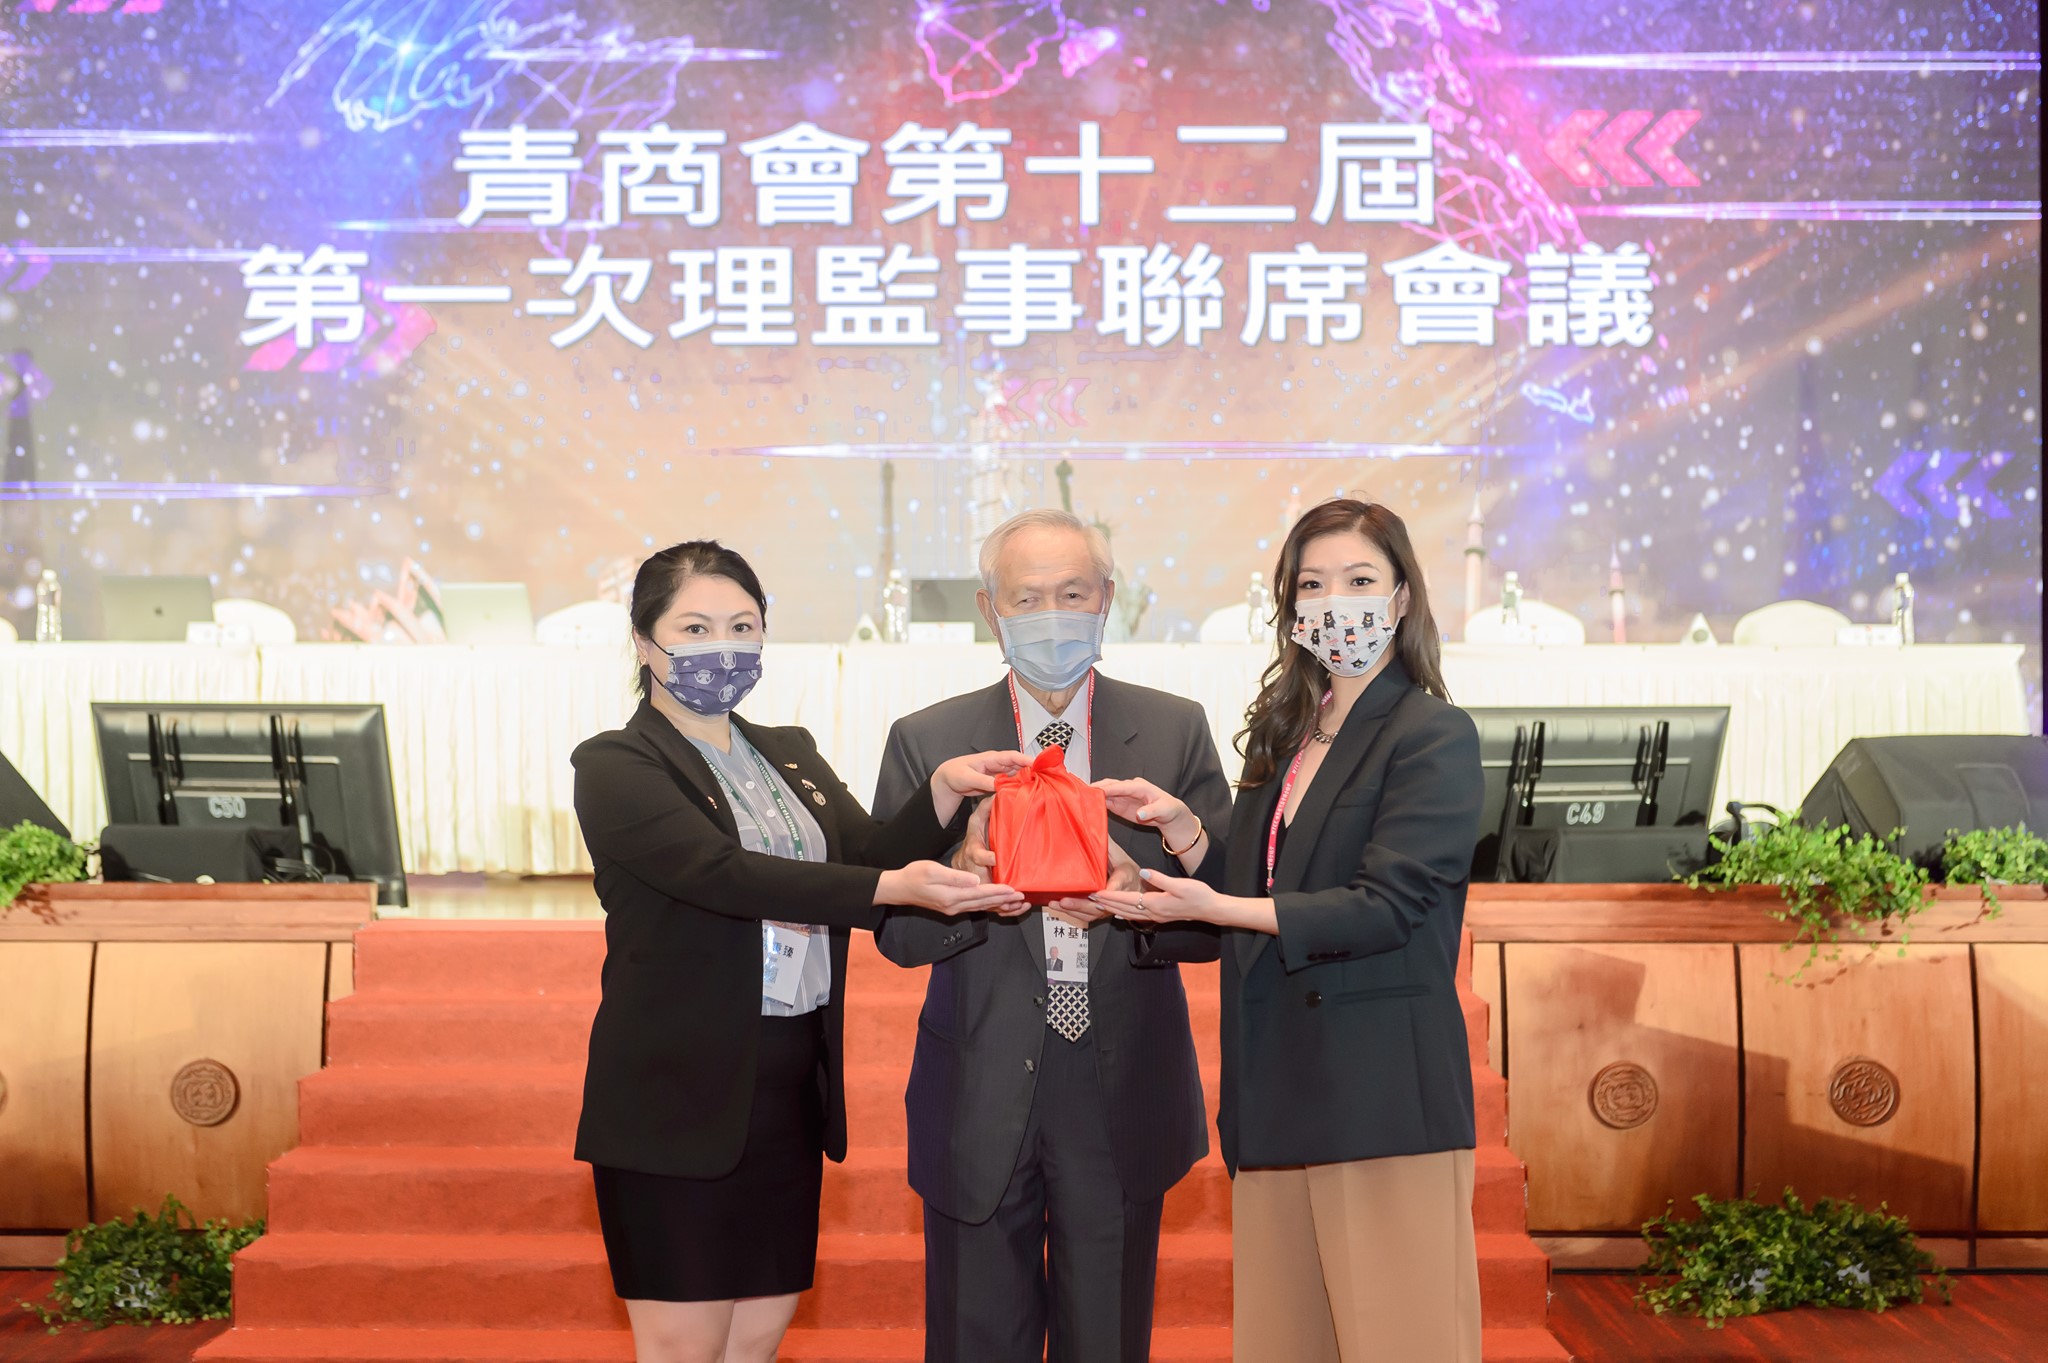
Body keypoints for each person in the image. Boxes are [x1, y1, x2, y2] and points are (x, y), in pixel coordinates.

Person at [570, 541, 1030, 1363]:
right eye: (695, 627)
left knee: (758, 1334)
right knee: (683, 1344)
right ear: (643, 640)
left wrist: (942, 790)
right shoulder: (615, 764)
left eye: (742, 626)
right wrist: (891, 887)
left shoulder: (788, 750)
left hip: (786, 1086)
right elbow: (722, 873)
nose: (723, 646)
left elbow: (866, 850)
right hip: (677, 1096)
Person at [1094, 499, 1486, 1363]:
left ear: (1402, 598)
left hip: (1379, 1098)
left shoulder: (1432, 734)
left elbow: (1385, 904)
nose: (1335, 602)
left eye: (1359, 580)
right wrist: (1182, 837)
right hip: (1275, 1095)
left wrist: (1215, 908)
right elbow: (1262, 886)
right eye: (1313, 584)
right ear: (1291, 607)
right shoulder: (1286, 739)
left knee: (1403, 1344)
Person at [870, 508, 1234, 1363]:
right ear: (990, 610)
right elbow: (893, 933)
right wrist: (959, 884)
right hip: (980, 1077)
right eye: (1027, 598)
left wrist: (1148, 897)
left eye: (1073, 594)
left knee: (1106, 1338)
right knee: (974, 1339)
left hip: (1119, 1081)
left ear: (1108, 599)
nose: (1052, 615)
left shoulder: (1174, 728)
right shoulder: (930, 741)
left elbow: (1221, 919)